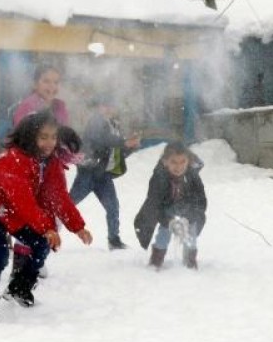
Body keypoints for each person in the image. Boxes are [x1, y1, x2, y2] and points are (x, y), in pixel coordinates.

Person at [0, 110, 93, 317]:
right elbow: (23, 201)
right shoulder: (12, 160)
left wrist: (78, 227)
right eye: (43, 137)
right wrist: (46, 227)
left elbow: (58, 196)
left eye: (53, 137)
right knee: (0, 253)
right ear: (30, 136)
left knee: (42, 244)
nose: (49, 142)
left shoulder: (50, 163)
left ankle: (21, 286)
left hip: (14, 211)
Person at [71, 95, 140, 250]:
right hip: (88, 171)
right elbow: (102, 140)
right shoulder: (96, 121)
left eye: (111, 106)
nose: (108, 109)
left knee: (113, 206)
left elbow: (116, 153)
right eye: (105, 105)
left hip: (102, 174)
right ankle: (45, 229)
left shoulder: (114, 125)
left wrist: (130, 147)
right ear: (99, 107)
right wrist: (124, 143)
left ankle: (114, 239)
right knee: (68, 204)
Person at [134, 141, 208, 270]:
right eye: (174, 162)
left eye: (182, 162)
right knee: (163, 235)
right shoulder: (159, 178)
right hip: (167, 212)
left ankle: (190, 261)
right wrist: (169, 220)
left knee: (190, 235)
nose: (178, 167)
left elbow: (201, 200)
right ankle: (156, 260)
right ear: (165, 161)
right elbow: (154, 203)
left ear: (188, 161)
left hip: (188, 211)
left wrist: (189, 217)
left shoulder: (193, 176)